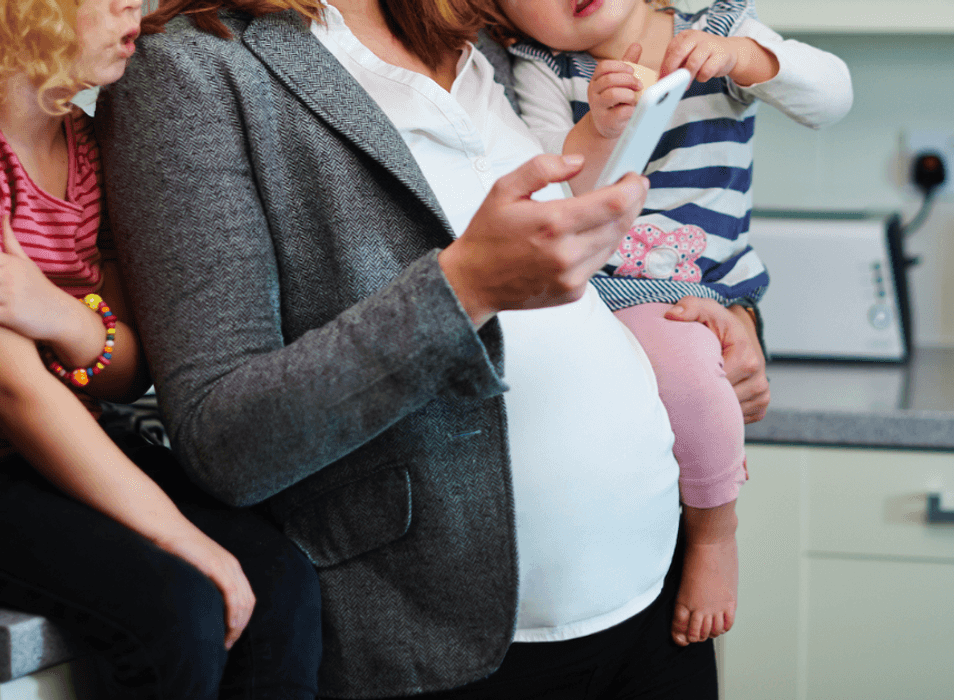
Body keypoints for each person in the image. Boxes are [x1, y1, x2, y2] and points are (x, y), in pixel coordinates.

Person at [98, 0, 769, 697]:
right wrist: (464, 287)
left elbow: (630, 241)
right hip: (449, 645)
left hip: (655, 599)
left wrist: (733, 317)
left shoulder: (488, 29)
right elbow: (224, 439)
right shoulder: (190, 70)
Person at [486, 0, 852, 646]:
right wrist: (596, 132)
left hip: (706, 281)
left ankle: (714, 534)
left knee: (686, 372)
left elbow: (831, 95)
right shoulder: (543, 68)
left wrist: (749, 60)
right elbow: (554, 190)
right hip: (610, 284)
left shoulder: (715, 26)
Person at [0, 0, 320, 696]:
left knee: (282, 576)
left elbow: (128, 370)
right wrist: (182, 538)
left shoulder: (83, 143)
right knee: (180, 609)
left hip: (77, 432)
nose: (129, 6)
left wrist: (56, 315)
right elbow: (15, 391)